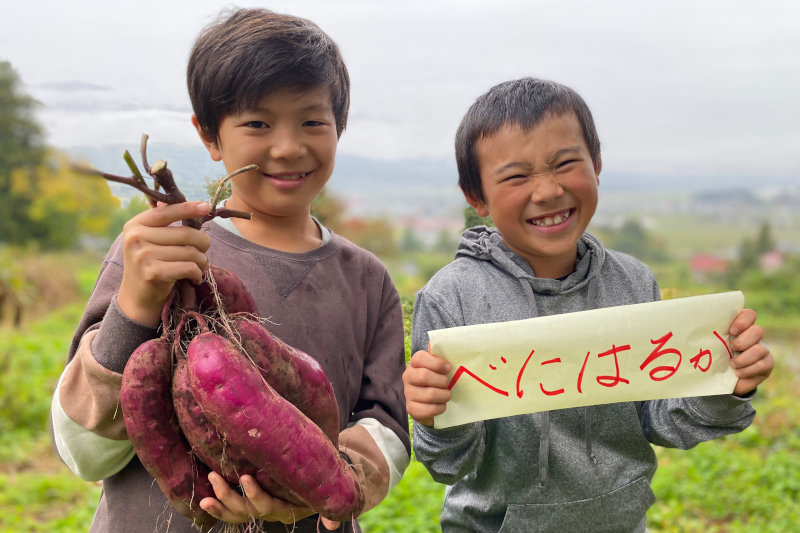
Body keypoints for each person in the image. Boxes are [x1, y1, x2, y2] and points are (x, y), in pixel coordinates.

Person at [51, 8, 410, 532]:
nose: (288, 147)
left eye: (312, 120)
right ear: (210, 136)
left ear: (340, 127)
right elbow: (84, 455)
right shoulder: (156, 256)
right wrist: (136, 306)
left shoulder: (367, 280)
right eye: (258, 123)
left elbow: (385, 422)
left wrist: (322, 488)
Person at [402, 77, 774, 532]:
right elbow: (448, 466)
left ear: (596, 164)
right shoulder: (450, 299)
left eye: (565, 163)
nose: (547, 191)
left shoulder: (633, 281)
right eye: (517, 176)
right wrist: (436, 417)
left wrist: (726, 383)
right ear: (476, 196)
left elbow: (658, 416)